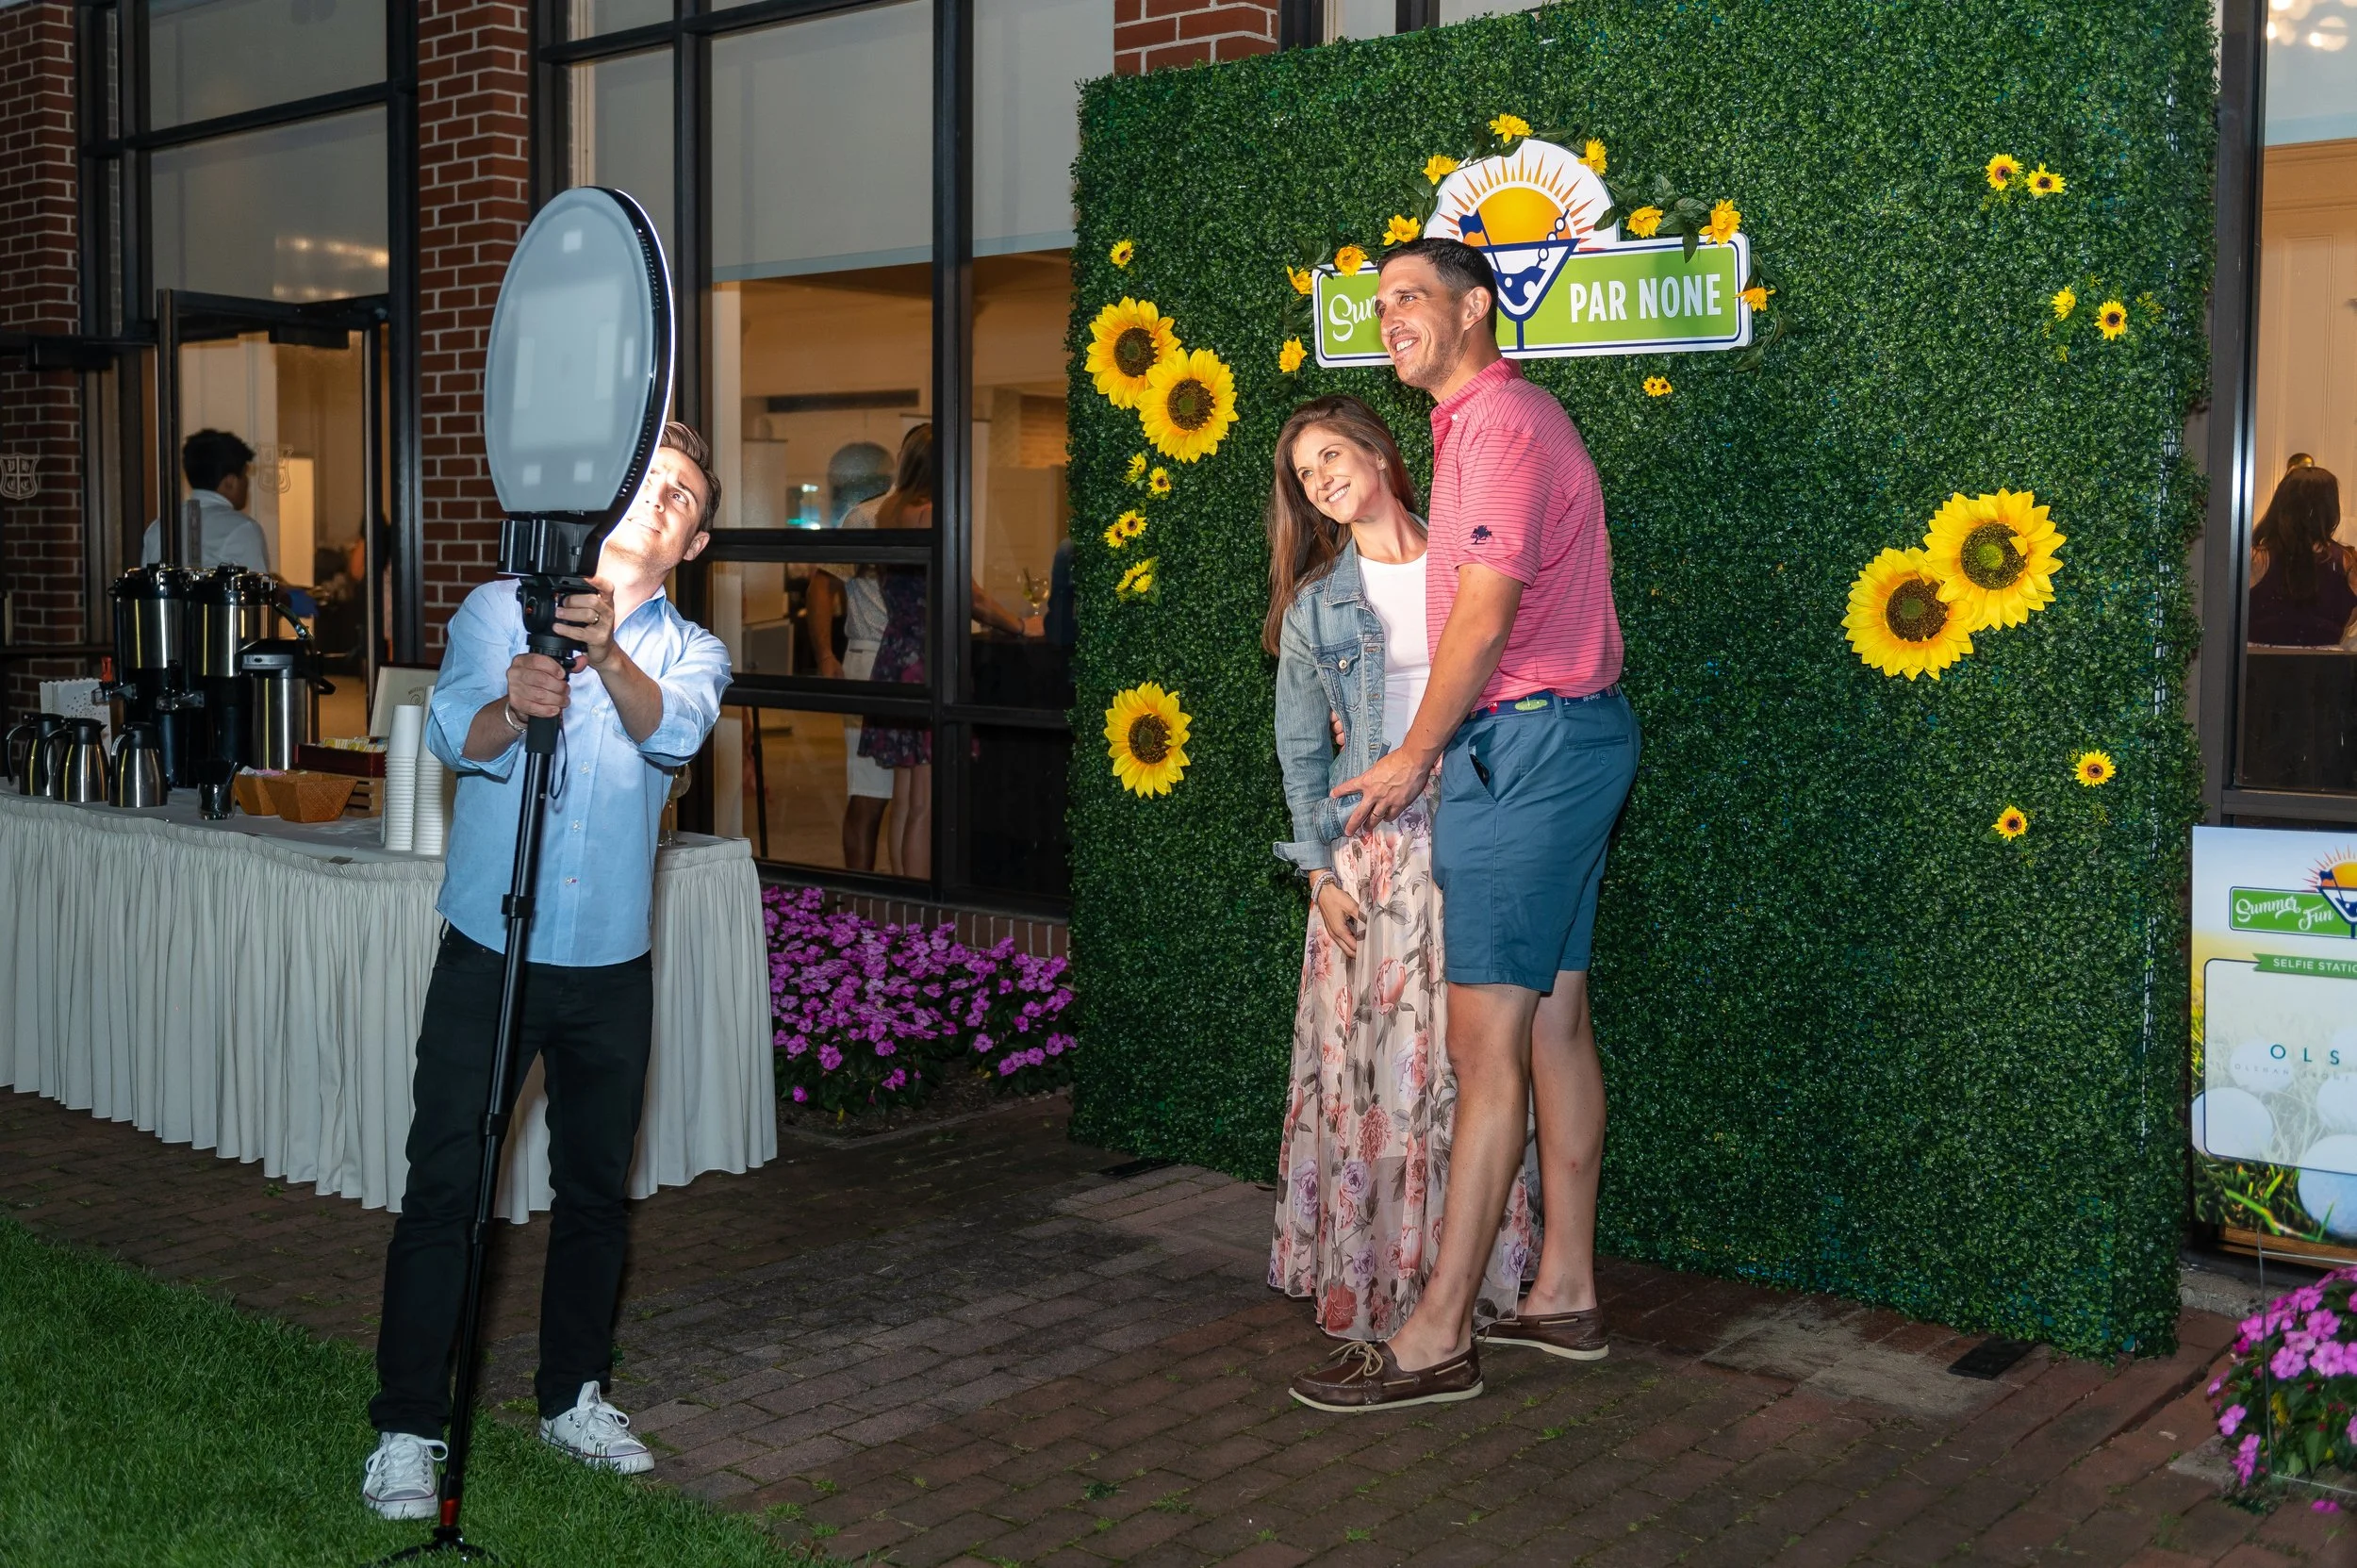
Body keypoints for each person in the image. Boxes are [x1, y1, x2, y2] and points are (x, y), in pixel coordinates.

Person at [1290, 238, 1639, 1413]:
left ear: (1475, 306)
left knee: (1482, 1050)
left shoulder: (1494, 425)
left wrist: (1409, 756)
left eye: (1410, 297)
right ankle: (1563, 1293)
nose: (1388, 316)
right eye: (1377, 301)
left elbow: (1482, 621)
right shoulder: (1489, 424)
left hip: (1524, 745)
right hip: (1571, 736)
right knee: (1553, 1027)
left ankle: (1436, 1337)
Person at [360, 421, 732, 1519]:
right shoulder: (497, 608)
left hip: (610, 966)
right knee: (446, 1189)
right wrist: (508, 705)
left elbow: (670, 737)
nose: (657, 502)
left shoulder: (692, 653)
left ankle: (573, 1393)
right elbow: (450, 739)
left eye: (681, 497)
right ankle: (409, 1428)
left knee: (593, 1196)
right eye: (648, 482)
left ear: (695, 541)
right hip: (493, 947)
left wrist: (607, 655)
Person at [1265, 393, 1540, 1343]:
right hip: (1372, 862)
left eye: (1333, 455)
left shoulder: (1469, 563)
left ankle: (1468, 1278)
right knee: (1379, 1075)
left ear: (1379, 453)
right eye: (1305, 474)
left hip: (1481, 825)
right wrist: (1318, 876)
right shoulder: (1316, 608)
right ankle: (1378, 1277)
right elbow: (1300, 755)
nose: (1323, 479)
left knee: (1476, 1062)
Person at [845, 423, 1034, 881]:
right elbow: (968, 595)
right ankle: (924, 912)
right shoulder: (932, 512)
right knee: (926, 802)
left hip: (896, 653)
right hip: (925, 661)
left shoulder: (889, 510)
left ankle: (905, 900)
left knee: (907, 798)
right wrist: (1021, 625)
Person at [2249, 463, 2357, 647]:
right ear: (2330, 509)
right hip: (2323, 670)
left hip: (2258, 668)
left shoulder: (2257, 559)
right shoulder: (2348, 563)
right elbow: (2347, 621)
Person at [140, 428, 272, 573]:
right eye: (244, 475)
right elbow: (258, 593)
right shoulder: (244, 529)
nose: (247, 483)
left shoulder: (159, 528)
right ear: (230, 481)